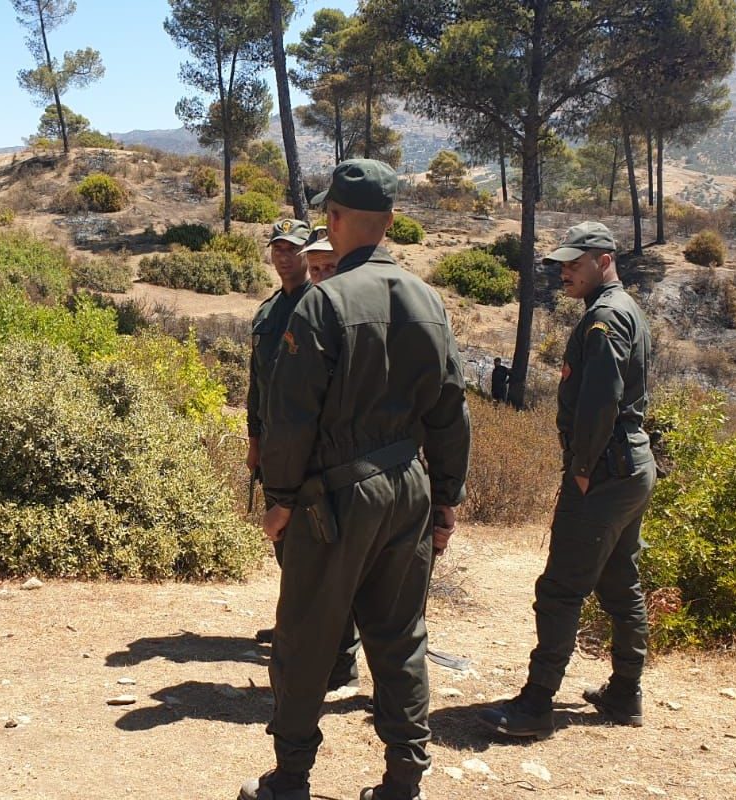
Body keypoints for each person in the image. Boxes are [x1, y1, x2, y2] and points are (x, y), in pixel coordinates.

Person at [241, 160, 471, 800]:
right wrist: (446, 498)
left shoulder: (324, 301)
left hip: (334, 499)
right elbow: (451, 409)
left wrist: (280, 499)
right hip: (409, 489)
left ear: (335, 221)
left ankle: (290, 780)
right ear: (391, 222)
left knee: (306, 637)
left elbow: (291, 414)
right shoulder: (428, 299)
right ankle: (403, 779)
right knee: (401, 637)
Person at [476, 221, 655, 739]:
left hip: (603, 471)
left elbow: (600, 402)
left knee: (560, 590)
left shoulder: (604, 319)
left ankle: (535, 705)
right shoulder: (625, 311)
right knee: (621, 581)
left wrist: (580, 470)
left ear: (604, 259)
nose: (564, 275)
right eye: (561, 266)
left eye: (574, 265)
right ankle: (625, 693)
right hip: (630, 466)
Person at [247, 219, 362, 697]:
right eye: (278, 249)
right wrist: (255, 440)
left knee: (324, 552)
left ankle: (340, 651)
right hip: (278, 445)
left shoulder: (323, 308)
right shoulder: (270, 310)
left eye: (295, 250)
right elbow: (259, 384)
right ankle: (297, 626)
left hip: (318, 451)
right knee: (290, 549)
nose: (285, 258)